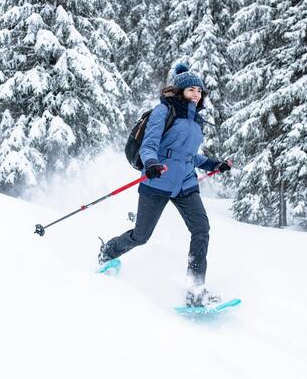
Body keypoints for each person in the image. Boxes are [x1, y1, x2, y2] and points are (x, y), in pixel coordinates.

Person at [98, 63, 233, 307]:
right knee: (141, 236)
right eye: (191, 89)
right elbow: (149, 145)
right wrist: (150, 163)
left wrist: (215, 164)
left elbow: (190, 156)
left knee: (201, 229)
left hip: (185, 184)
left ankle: (195, 290)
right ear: (180, 91)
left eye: (200, 91)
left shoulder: (197, 122)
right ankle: (109, 251)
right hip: (158, 180)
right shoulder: (163, 111)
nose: (196, 94)